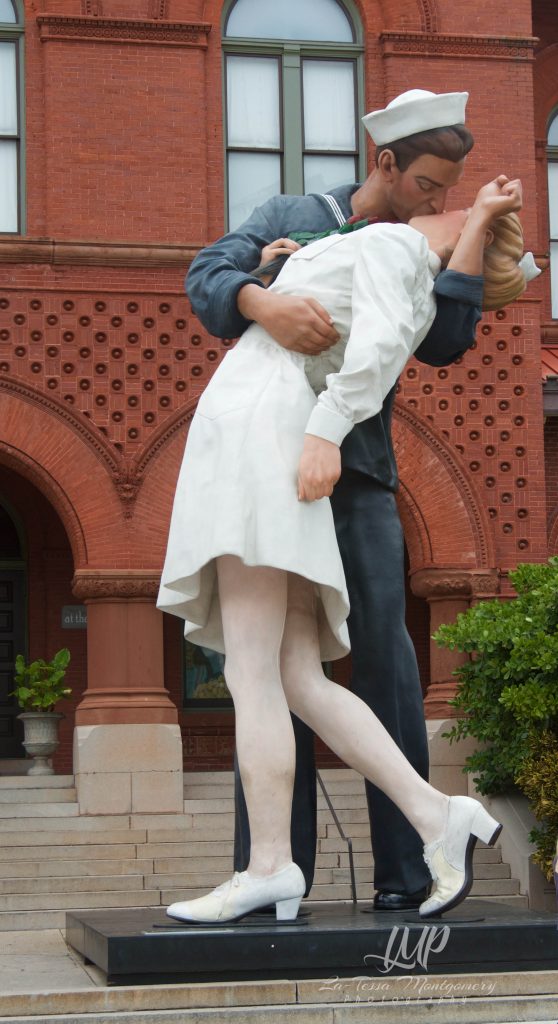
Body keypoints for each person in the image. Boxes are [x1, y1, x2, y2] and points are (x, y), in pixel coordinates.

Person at [157, 178, 535, 923]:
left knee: (255, 667)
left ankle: (270, 866)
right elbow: (247, 286)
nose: (444, 199)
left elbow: (383, 349)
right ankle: (433, 817)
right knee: (294, 673)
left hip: (260, 424)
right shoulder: (373, 243)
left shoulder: (397, 247)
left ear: (461, 240)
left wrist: (327, 430)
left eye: (456, 207)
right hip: (269, 422)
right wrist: (276, 268)